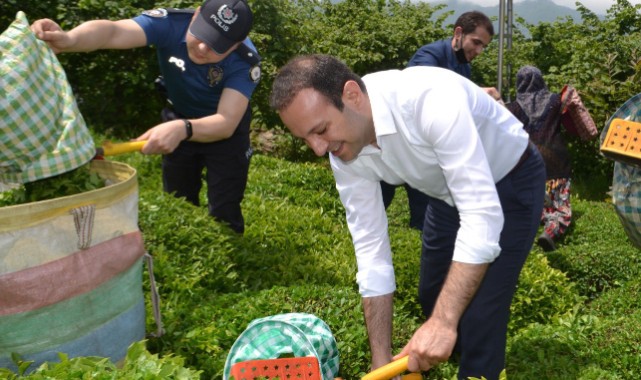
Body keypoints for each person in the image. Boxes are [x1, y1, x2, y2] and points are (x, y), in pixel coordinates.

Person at [270, 54, 546, 380]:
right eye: (306, 139)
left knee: (480, 314)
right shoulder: (342, 150)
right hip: (444, 194)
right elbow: (371, 251)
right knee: (432, 293)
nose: (317, 148)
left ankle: (475, 362)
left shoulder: (429, 100)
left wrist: (444, 323)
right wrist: (382, 362)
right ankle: (451, 350)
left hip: (510, 180)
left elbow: (481, 215)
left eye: (321, 130)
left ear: (351, 96)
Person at [30, 0, 261, 234]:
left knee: (225, 202)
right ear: (195, 16)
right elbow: (112, 31)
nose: (202, 48)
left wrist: (183, 129)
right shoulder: (170, 24)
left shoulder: (245, 61)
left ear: (236, 45)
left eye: (217, 45)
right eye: (201, 35)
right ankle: (181, 242)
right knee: (177, 195)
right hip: (178, 114)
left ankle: (230, 253)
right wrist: (70, 39)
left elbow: (226, 122)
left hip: (221, 132)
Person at [381, 11, 500, 231]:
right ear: (458, 33)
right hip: (398, 144)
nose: (479, 51)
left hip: (424, 151)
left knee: (424, 218)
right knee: (377, 203)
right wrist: (480, 93)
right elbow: (425, 90)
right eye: (476, 42)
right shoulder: (429, 55)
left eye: (484, 46)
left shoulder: (464, 66)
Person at [507, 66, 572, 252]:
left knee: (535, 204)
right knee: (561, 206)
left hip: (528, 164)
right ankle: (551, 232)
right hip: (557, 162)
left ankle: (531, 230)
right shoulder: (555, 101)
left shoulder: (513, 107)